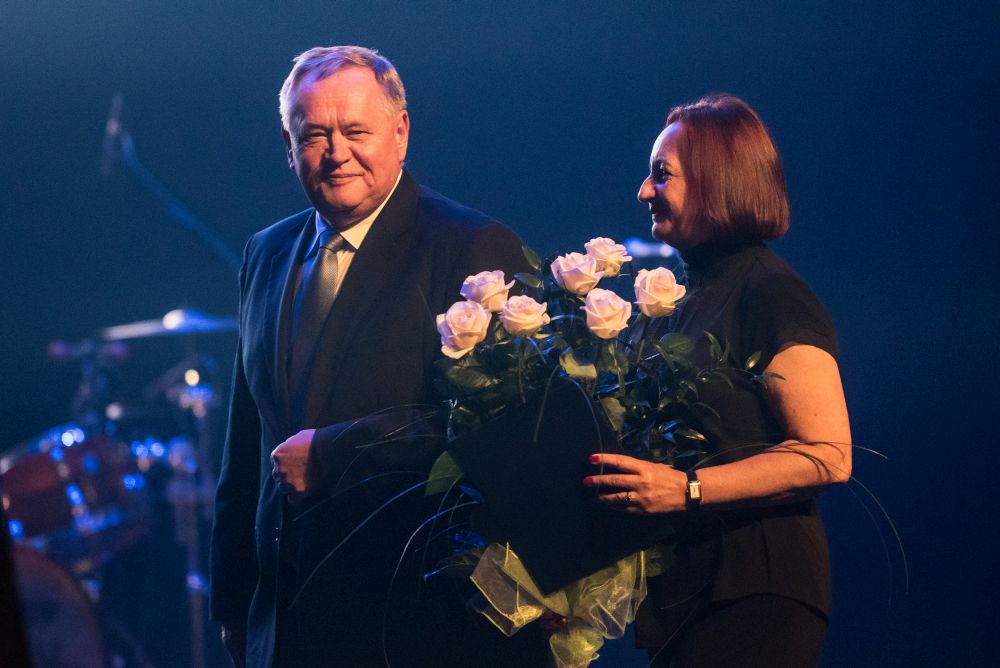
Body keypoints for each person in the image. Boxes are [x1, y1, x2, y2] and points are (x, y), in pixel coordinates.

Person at [210, 46, 546, 667]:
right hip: (284, 624)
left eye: (355, 131)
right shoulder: (266, 251)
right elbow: (245, 443)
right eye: (315, 135)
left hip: (412, 623)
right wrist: (233, 603)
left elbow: (501, 428)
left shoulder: (471, 247)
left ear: (401, 132)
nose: (336, 153)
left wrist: (335, 453)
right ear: (288, 144)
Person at [585, 94, 852, 666]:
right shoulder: (684, 301)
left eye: (662, 174)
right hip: (686, 597)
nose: (643, 191)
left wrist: (688, 489)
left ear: (717, 181)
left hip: (754, 590)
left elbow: (828, 454)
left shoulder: (771, 293)